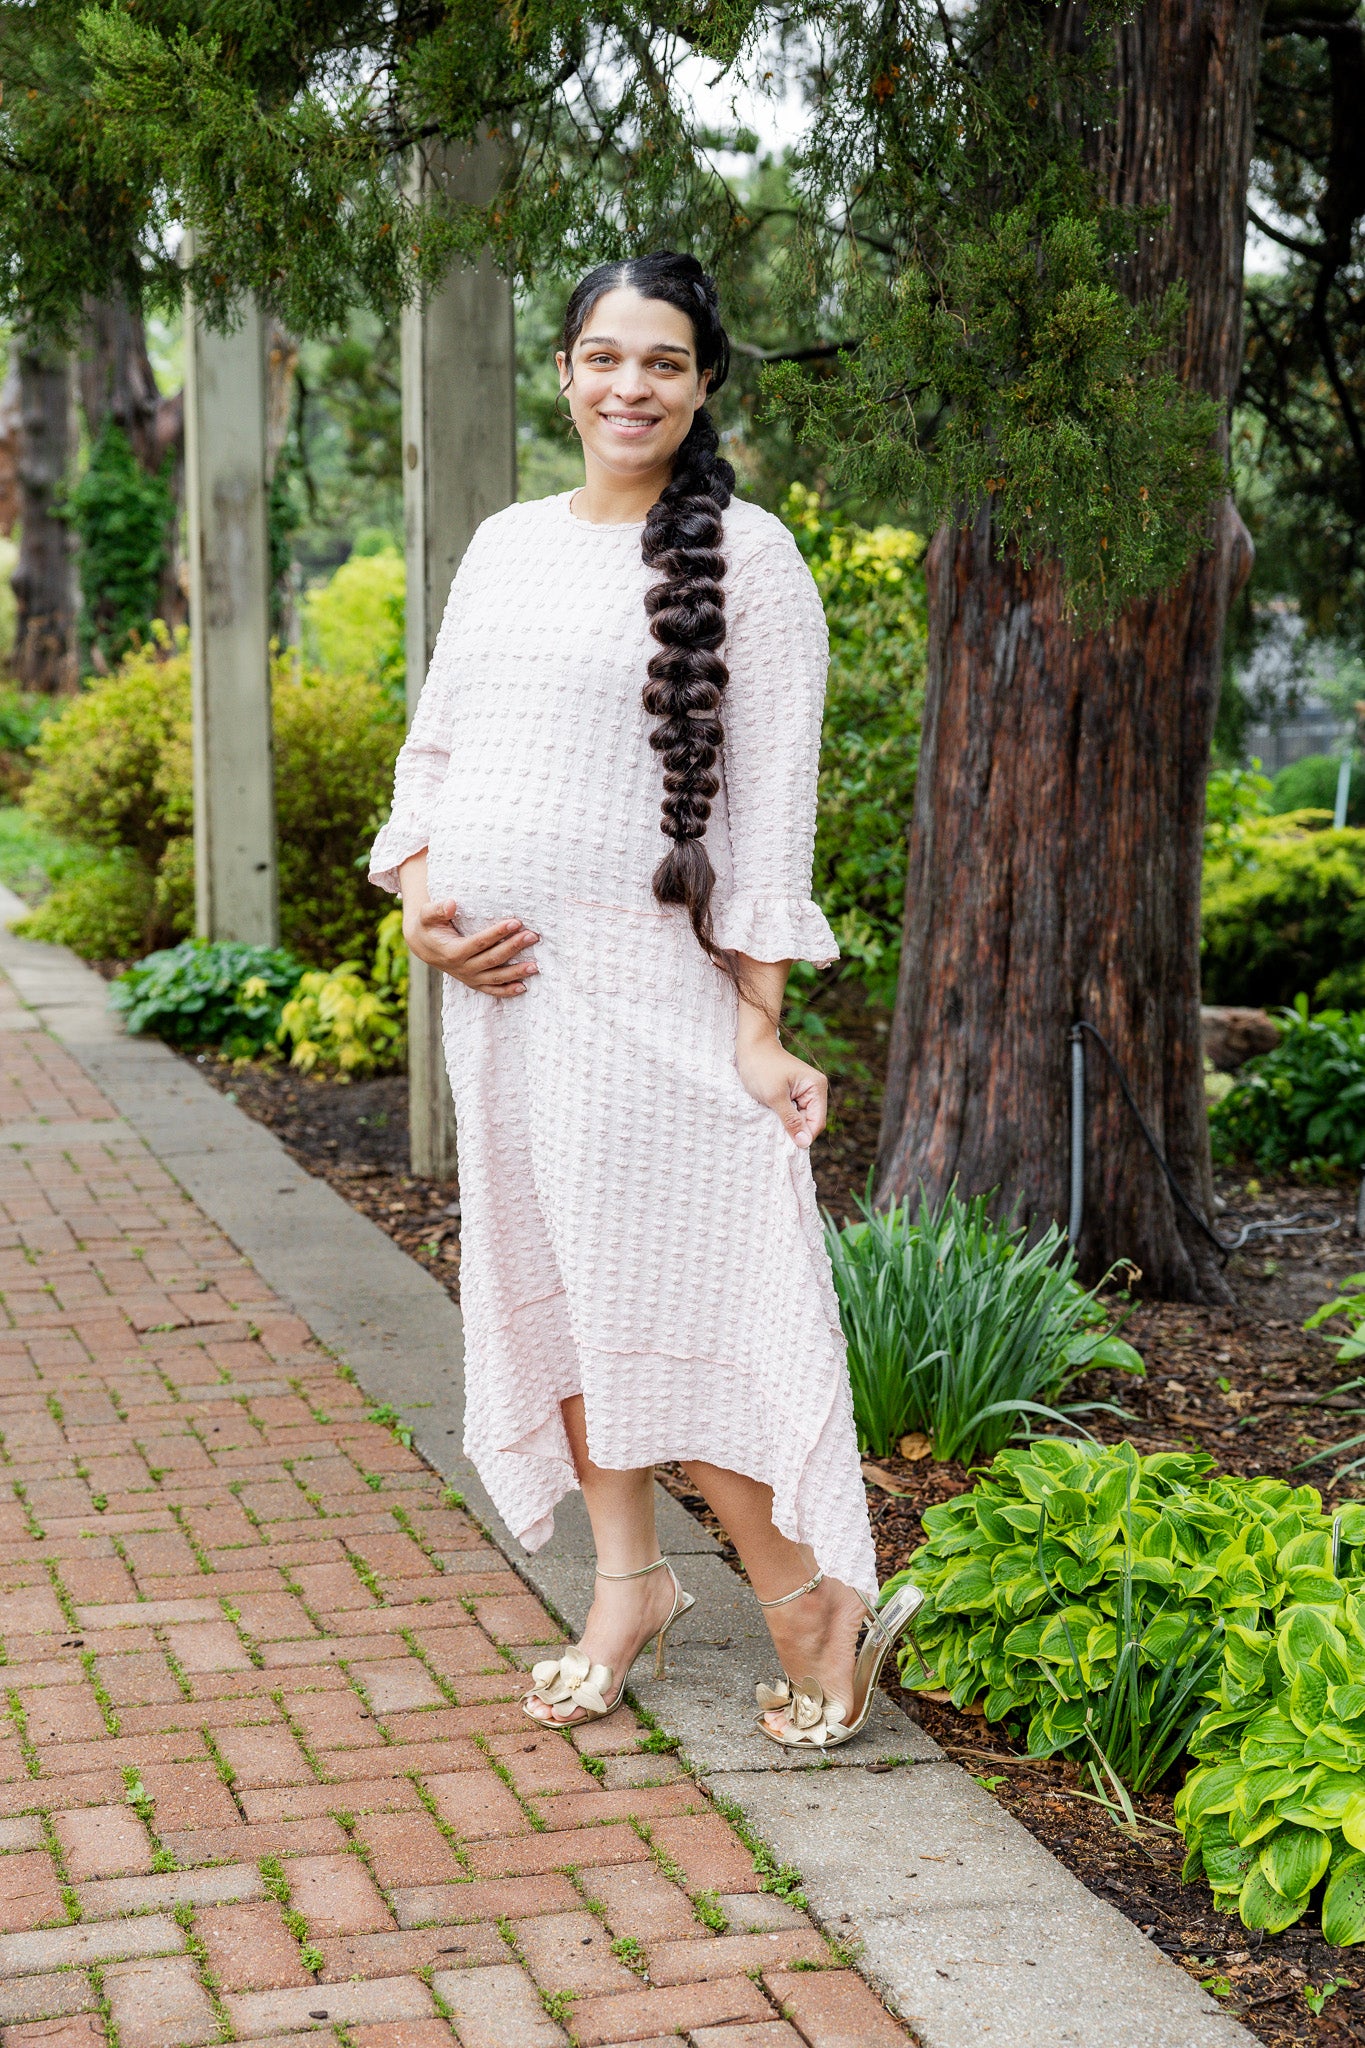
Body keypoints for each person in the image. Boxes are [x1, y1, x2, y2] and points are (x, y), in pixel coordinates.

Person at [368, 250, 922, 1749]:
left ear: (702, 383)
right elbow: (432, 767)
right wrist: (425, 913)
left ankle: (808, 1600)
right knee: (553, 1305)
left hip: (650, 1011)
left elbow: (773, 821)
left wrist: (754, 1025)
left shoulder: (751, 563)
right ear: (563, 371)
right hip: (505, 1009)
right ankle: (627, 1589)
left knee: (660, 1310)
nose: (629, 386)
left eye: (662, 362)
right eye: (603, 357)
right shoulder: (501, 544)